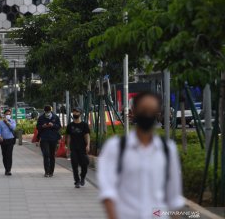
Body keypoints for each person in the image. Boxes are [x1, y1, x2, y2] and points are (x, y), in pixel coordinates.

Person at [97, 91, 184, 219]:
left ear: (157, 113)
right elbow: (108, 191)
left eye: (151, 110)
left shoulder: (167, 149)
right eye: (143, 110)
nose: (147, 114)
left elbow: (173, 197)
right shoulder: (116, 147)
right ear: (134, 111)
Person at [66, 107, 90, 188]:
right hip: (73, 148)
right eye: (74, 112)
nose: (75, 113)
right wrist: (68, 148)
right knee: (74, 165)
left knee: (85, 164)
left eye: (77, 112)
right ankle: (77, 181)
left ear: (80, 113)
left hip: (82, 148)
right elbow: (68, 137)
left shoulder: (84, 125)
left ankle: (82, 177)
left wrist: (88, 145)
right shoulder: (70, 125)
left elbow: (87, 135)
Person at [36, 105, 61, 177]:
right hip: (44, 138)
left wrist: (53, 125)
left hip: (53, 138)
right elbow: (38, 127)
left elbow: (59, 126)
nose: (47, 113)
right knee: (46, 154)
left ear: (51, 111)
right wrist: (42, 126)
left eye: (48, 111)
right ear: (44, 111)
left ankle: (51, 171)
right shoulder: (41, 118)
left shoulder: (55, 117)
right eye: (46, 111)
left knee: (52, 155)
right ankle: (46, 171)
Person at [0, 109, 16, 176]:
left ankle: (9, 170)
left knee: (9, 155)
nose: (8, 115)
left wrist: (7, 122)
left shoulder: (13, 121)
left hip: (10, 140)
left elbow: (13, 128)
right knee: (4, 155)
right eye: (7, 114)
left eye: (9, 114)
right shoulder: (0, 122)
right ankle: (6, 168)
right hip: (3, 140)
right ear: (4, 115)